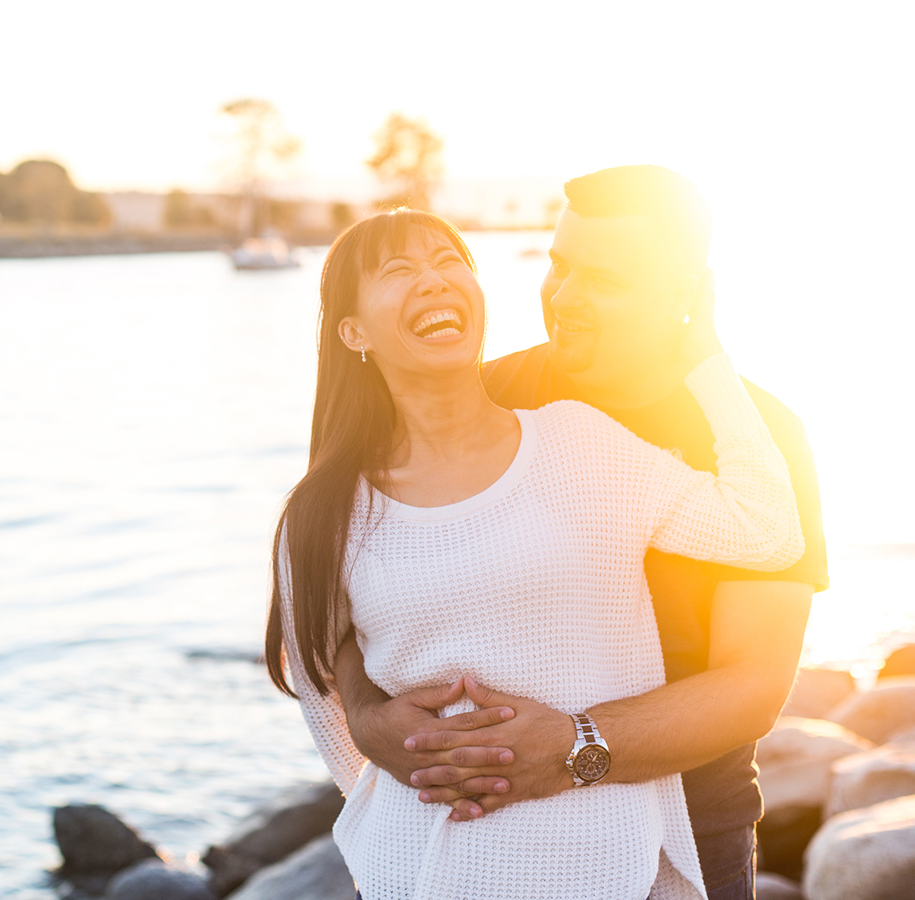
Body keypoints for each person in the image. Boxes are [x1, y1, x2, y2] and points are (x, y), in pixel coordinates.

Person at [267, 203, 805, 899]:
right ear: (352, 330)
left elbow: (765, 532)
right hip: (414, 872)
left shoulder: (578, 442)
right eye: (400, 270)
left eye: (450, 261)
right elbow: (316, 676)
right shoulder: (323, 511)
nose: (434, 281)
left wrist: (705, 357)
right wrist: (392, 759)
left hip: (605, 863)